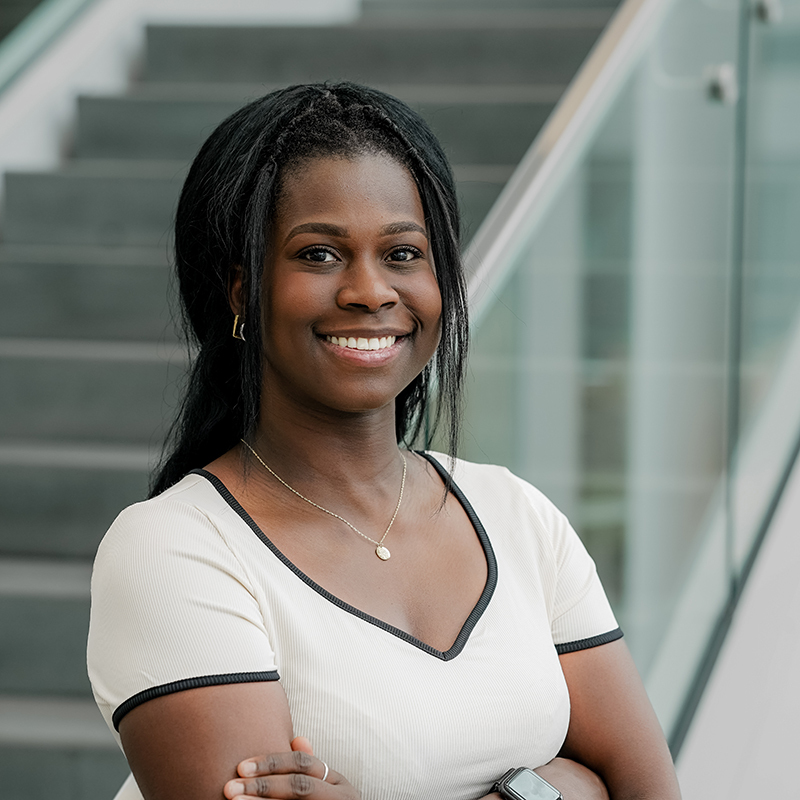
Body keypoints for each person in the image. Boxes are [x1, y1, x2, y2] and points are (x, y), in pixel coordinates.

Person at [87, 82, 681, 800]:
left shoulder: (515, 514)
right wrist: (559, 788)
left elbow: (650, 789)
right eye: (319, 255)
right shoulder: (174, 548)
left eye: (403, 253)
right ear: (243, 292)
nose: (371, 290)